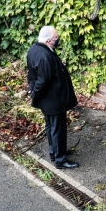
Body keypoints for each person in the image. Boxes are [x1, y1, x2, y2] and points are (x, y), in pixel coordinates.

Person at [27, 26, 79, 169]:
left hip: (48, 100)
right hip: (53, 100)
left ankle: (55, 152)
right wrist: (34, 93)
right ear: (49, 41)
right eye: (56, 38)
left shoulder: (34, 50)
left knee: (51, 127)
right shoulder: (44, 56)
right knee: (57, 128)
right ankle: (60, 160)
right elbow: (42, 80)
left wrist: (32, 90)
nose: (58, 39)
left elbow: (31, 74)